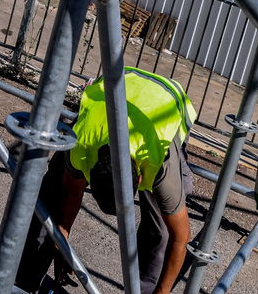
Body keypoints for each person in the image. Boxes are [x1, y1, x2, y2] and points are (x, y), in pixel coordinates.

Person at [17, 67, 196, 294]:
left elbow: (180, 239)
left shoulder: (160, 162)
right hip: (114, 94)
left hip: (165, 107)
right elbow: (71, 193)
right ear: (91, 170)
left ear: (140, 178)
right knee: (54, 192)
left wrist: (163, 292)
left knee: (160, 229)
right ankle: (24, 279)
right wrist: (60, 245)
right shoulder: (82, 145)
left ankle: (146, 291)